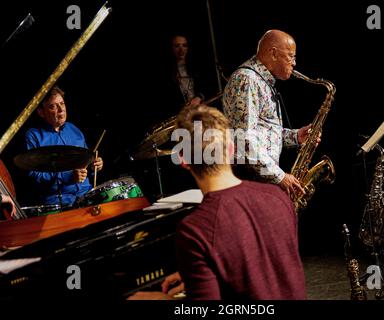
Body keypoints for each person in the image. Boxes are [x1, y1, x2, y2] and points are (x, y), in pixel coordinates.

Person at [128, 104, 306, 300]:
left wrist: (161, 299)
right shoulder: (278, 197)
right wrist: (202, 275)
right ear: (231, 149)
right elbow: (262, 268)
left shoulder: (195, 229)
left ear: (183, 160)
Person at [222, 29, 320, 198]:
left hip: (258, 183)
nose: (294, 63)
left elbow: (262, 132)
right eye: (291, 56)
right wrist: (280, 176)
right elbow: (244, 139)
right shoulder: (247, 79)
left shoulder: (261, 81)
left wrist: (296, 136)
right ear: (273, 53)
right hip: (249, 184)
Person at [24, 86, 103, 206]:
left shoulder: (74, 129)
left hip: (87, 194)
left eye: (62, 103)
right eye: (53, 106)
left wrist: (94, 165)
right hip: (58, 201)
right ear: (41, 112)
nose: (61, 109)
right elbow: (34, 176)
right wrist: (68, 176)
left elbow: (87, 162)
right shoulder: (34, 135)